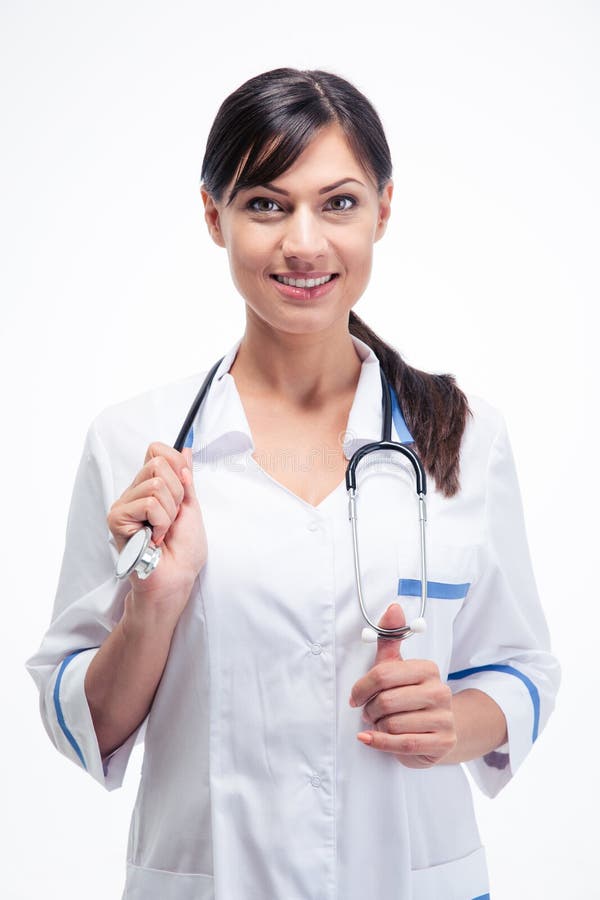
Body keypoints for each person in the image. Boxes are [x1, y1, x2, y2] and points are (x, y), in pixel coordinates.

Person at [27, 68, 560, 900]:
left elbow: (521, 666)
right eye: (266, 204)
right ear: (215, 216)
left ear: (385, 208)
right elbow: (86, 729)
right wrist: (155, 604)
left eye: (338, 204)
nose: (304, 243)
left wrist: (454, 724)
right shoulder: (137, 445)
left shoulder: (462, 435)